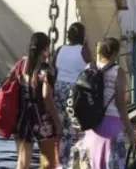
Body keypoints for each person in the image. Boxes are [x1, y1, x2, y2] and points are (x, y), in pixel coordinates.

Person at [73, 38, 136, 169]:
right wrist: (130, 131)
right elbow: (120, 105)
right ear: (115, 53)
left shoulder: (90, 67)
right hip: (111, 124)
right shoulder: (118, 71)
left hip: (91, 123)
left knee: (91, 163)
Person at [13, 32, 60, 169]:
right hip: (41, 118)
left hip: (22, 118)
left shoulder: (22, 64)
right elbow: (46, 96)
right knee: (50, 162)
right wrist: (57, 121)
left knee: (22, 163)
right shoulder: (46, 69)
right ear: (46, 48)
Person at [52, 22, 91, 165]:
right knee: (75, 127)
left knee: (61, 126)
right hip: (75, 90)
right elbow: (92, 68)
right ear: (82, 36)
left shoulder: (60, 49)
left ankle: (60, 160)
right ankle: (74, 161)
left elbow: (52, 68)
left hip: (59, 88)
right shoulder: (83, 50)